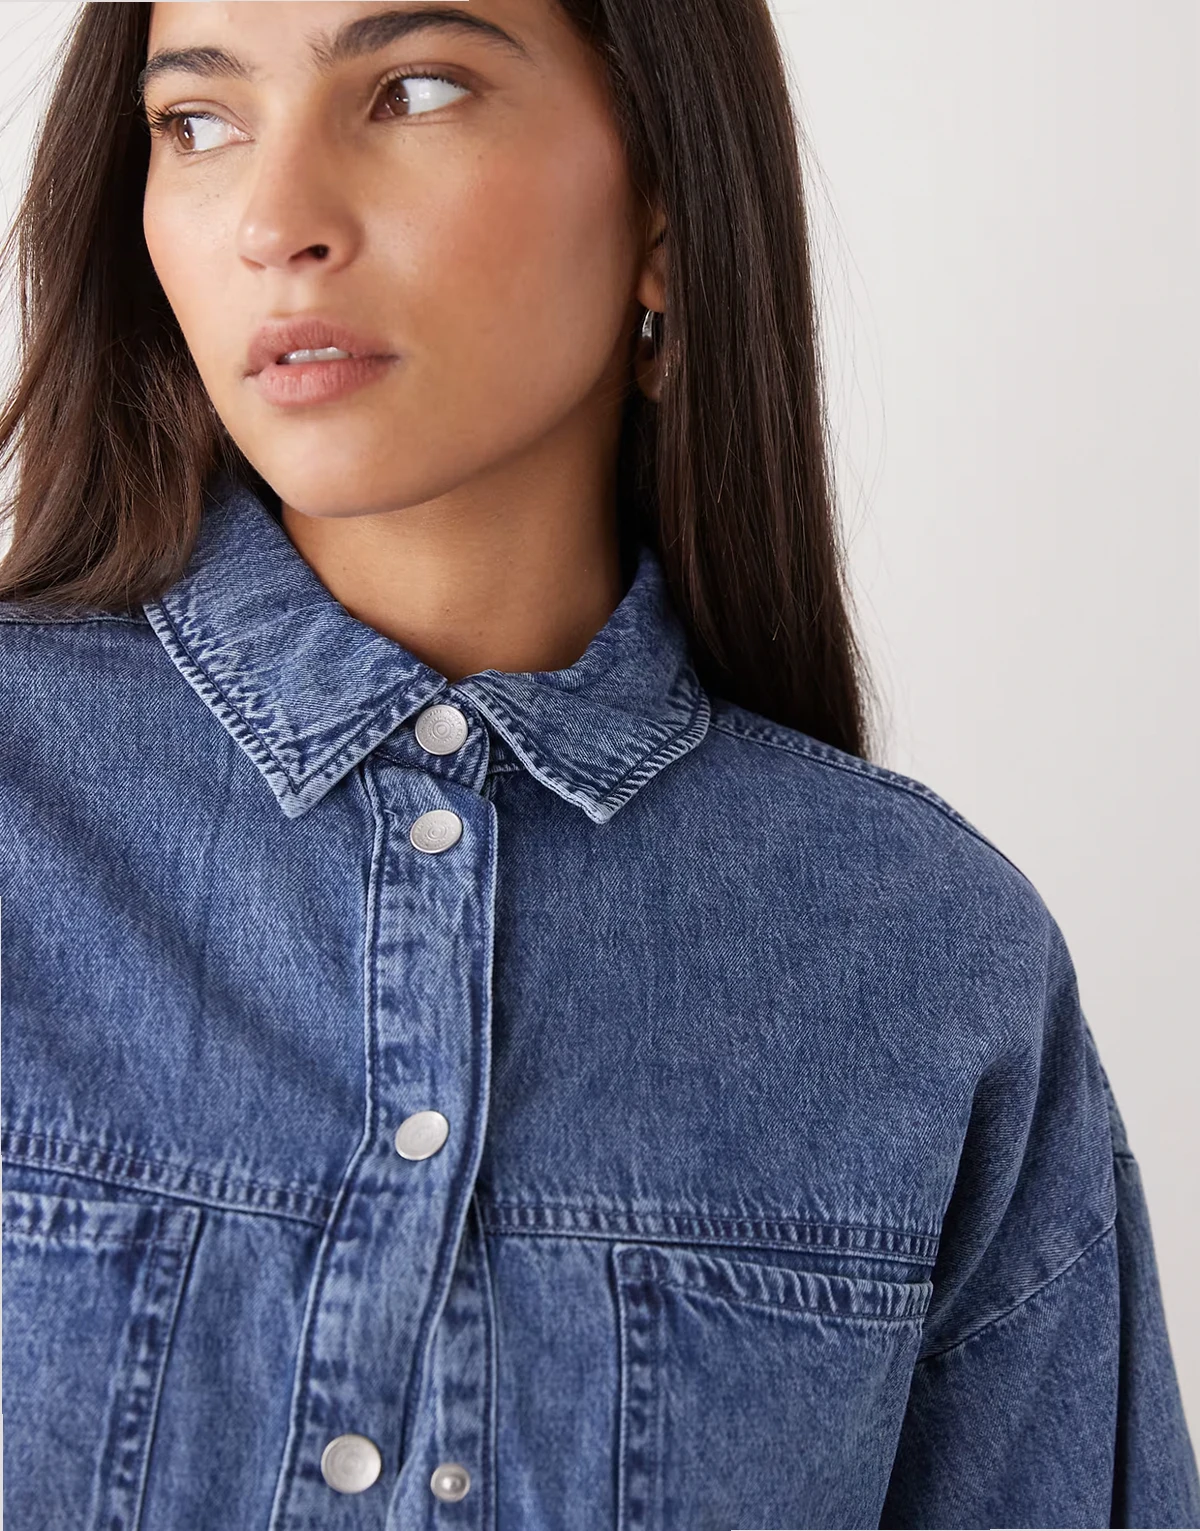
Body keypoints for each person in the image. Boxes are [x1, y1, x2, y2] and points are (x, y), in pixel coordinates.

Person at [0, 2, 1196, 1527]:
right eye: (198, 123)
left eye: (414, 90)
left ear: (666, 216)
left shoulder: (924, 955)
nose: (273, 220)